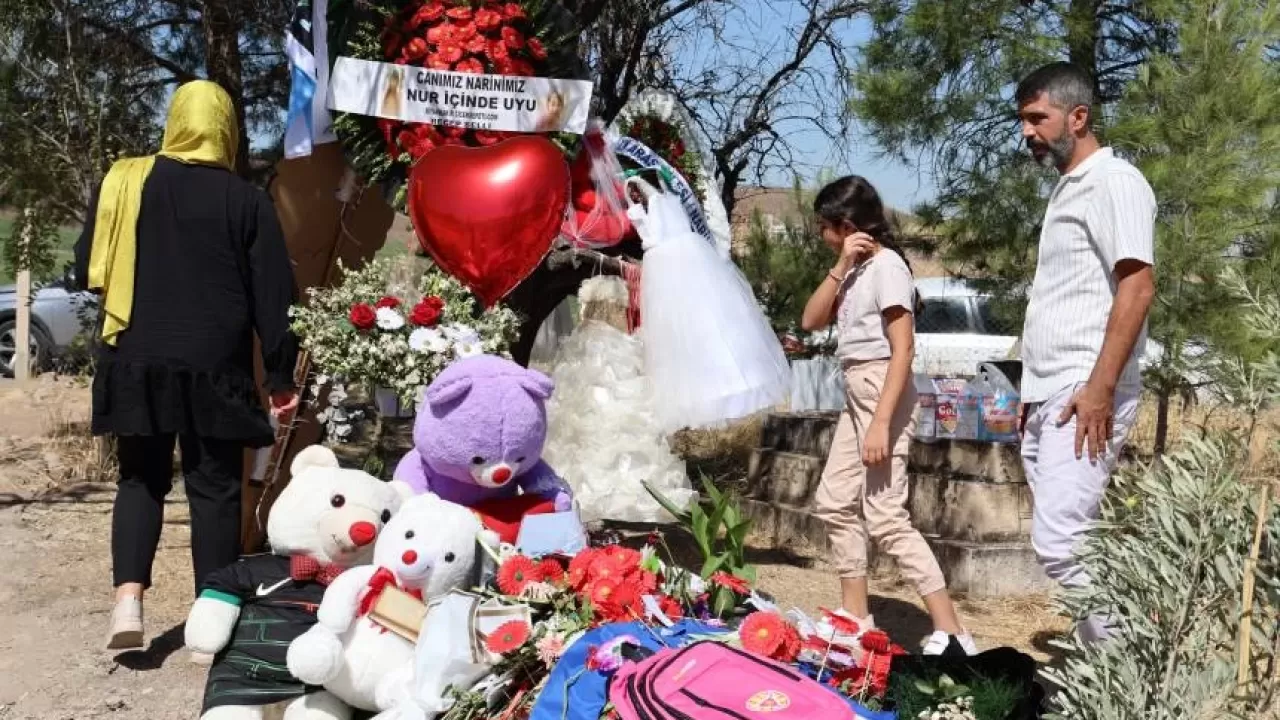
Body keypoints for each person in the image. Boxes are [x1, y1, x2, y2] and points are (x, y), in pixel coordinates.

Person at [73, 80, 301, 651]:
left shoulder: (125, 181)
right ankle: (210, 626)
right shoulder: (246, 200)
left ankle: (127, 601)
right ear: (226, 130)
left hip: (137, 359)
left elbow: (86, 265)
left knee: (139, 478)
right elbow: (275, 295)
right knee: (215, 490)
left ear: (174, 122)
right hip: (215, 366)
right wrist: (279, 376)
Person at [801, 175, 975, 656]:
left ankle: (953, 632)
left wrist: (881, 422)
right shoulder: (855, 269)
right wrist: (841, 264)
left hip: (883, 391)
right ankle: (855, 620)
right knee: (835, 501)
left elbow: (903, 351)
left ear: (847, 224)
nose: (821, 235)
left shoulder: (888, 268)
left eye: (825, 227)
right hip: (858, 392)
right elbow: (810, 320)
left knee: (884, 515)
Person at [1015, 62, 1156, 644]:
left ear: (1078, 117)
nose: (1027, 132)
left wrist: (1099, 388)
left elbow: (1137, 287)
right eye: (1023, 120)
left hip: (1085, 389)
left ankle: (1130, 665)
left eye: (1037, 118)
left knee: (1060, 541)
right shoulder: (1069, 186)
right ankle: (1112, 663)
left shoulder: (1114, 181)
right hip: (1051, 391)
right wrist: (1031, 397)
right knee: (1074, 542)